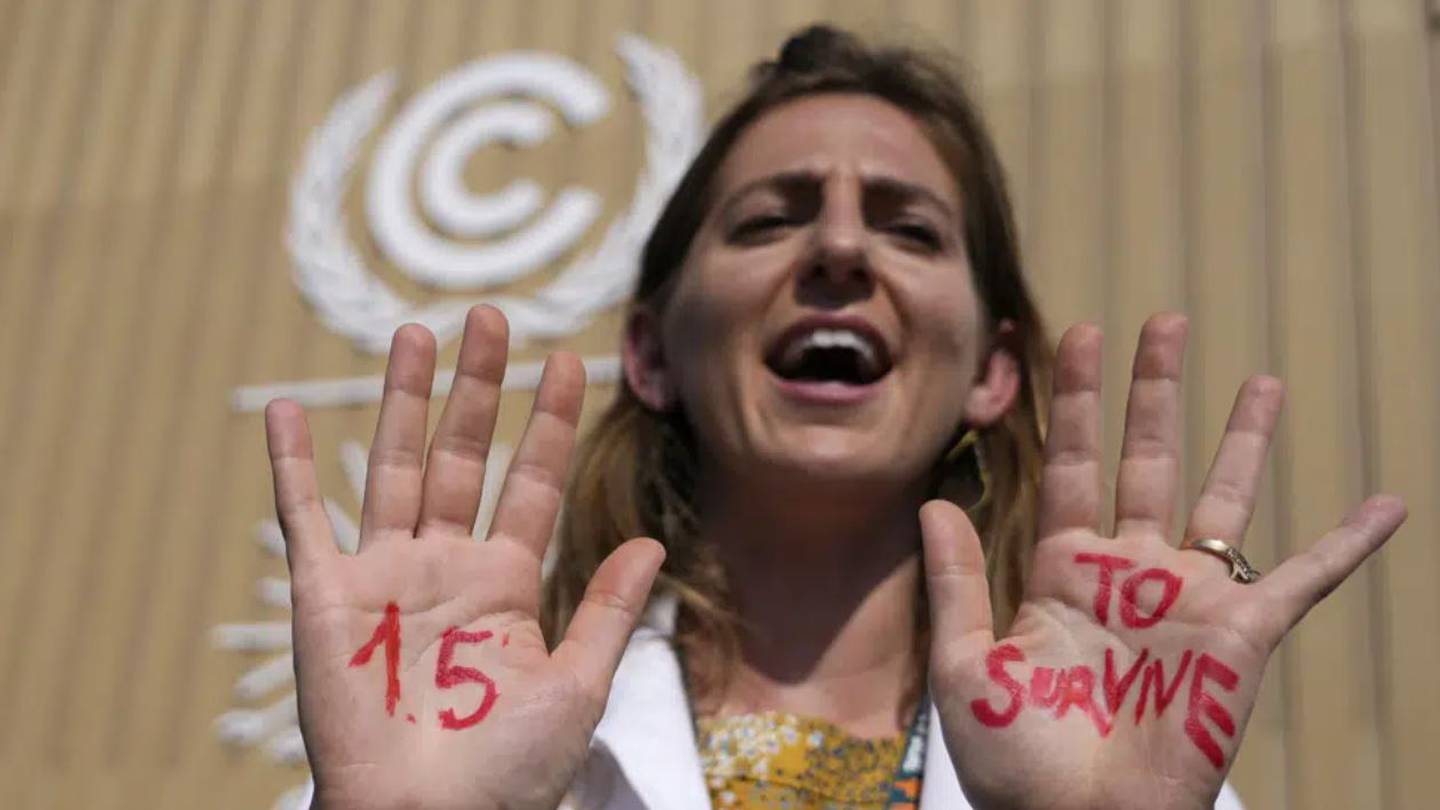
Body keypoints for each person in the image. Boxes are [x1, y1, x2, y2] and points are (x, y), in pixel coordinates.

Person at [263, 25, 1407, 810]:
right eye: (772, 219)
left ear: (993, 373)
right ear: (654, 353)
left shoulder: (1135, 756)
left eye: (911, 228)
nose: (843, 249)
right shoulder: (435, 743)